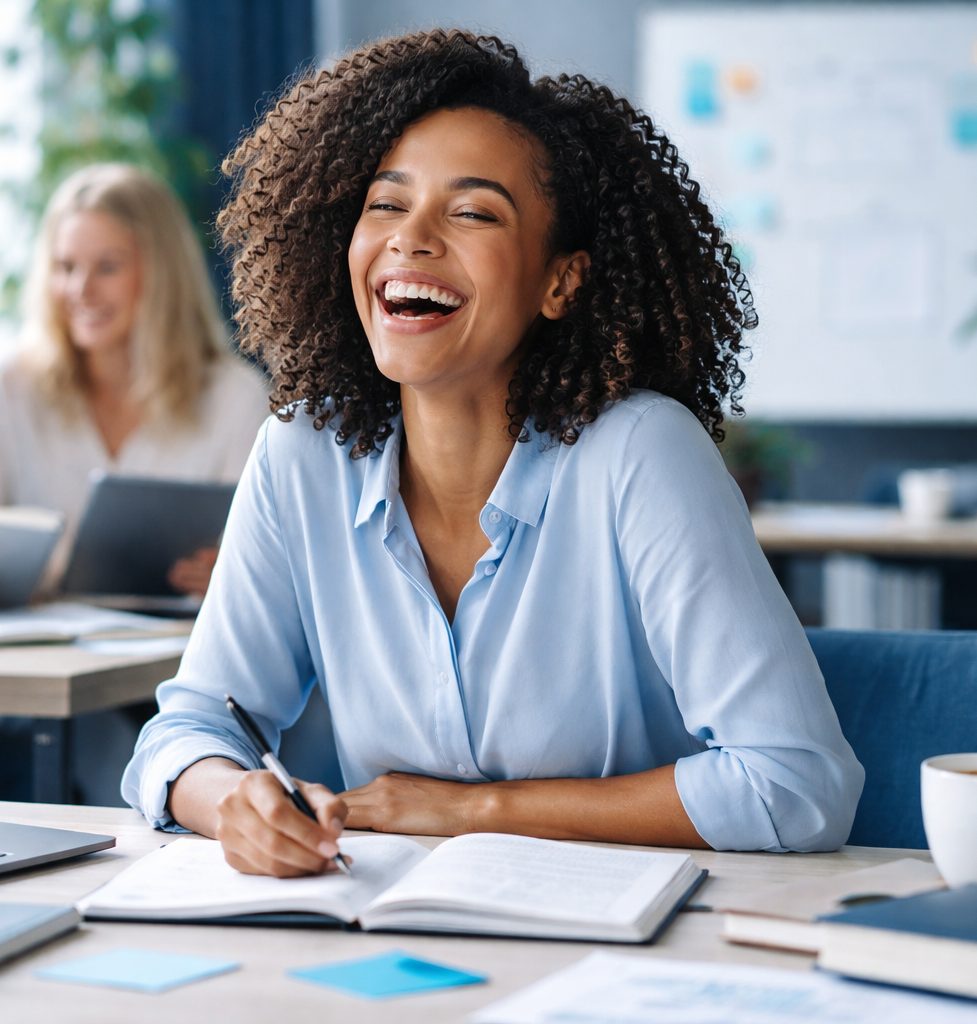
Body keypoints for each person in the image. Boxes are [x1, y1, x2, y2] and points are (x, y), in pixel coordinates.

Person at [123, 30, 865, 875]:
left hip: (627, 936)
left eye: (472, 211)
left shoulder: (641, 454)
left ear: (562, 281)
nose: (412, 239)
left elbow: (799, 785)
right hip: (393, 934)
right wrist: (237, 805)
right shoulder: (303, 455)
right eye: (386, 203)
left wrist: (474, 812)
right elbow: (186, 733)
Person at [0, 163, 268, 595]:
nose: (81, 290)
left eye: (107, 267)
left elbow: (266, 563)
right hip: (35, 654)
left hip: (179, 647)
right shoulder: (4, 393)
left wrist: (233, 574)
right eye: (65, 267)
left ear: (160, 275)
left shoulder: (234, 398)